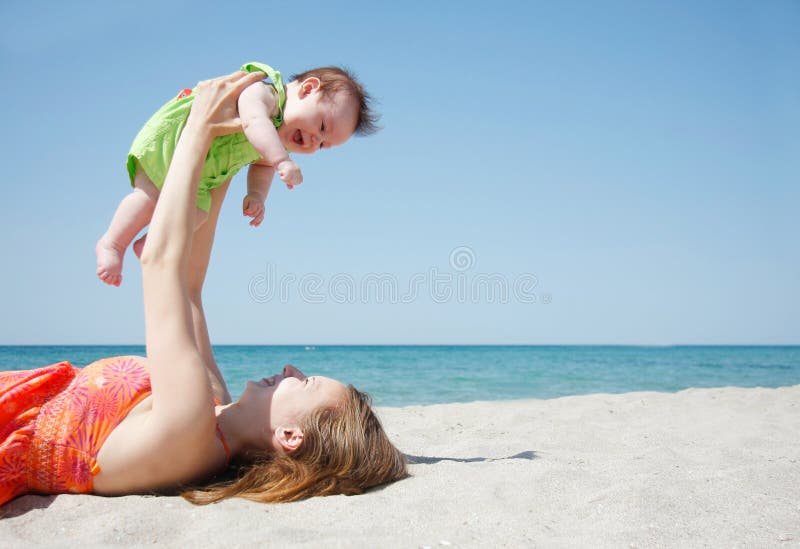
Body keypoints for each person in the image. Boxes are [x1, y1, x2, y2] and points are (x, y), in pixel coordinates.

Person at [0, 71, 407, 506]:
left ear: (290, 435)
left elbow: (159, 262)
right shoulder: (212, 409)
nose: (292, 368)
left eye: (304, 384)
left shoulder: (191, 425)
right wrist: (223, 159)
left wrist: (198, 127)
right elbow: (189, 289)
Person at [96, 62, 378, 286]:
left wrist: (256, 195)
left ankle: (151, 243)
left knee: (197, 214)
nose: (314, 140)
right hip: (173, 143)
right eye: (322, 127)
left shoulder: (276, 142)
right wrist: (281, 160)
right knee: (150, 197)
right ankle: (112, 243)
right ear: (307, 89)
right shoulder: (264, 93)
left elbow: (262, 166)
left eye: (324, 145)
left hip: (202, 172)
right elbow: (254, 123)